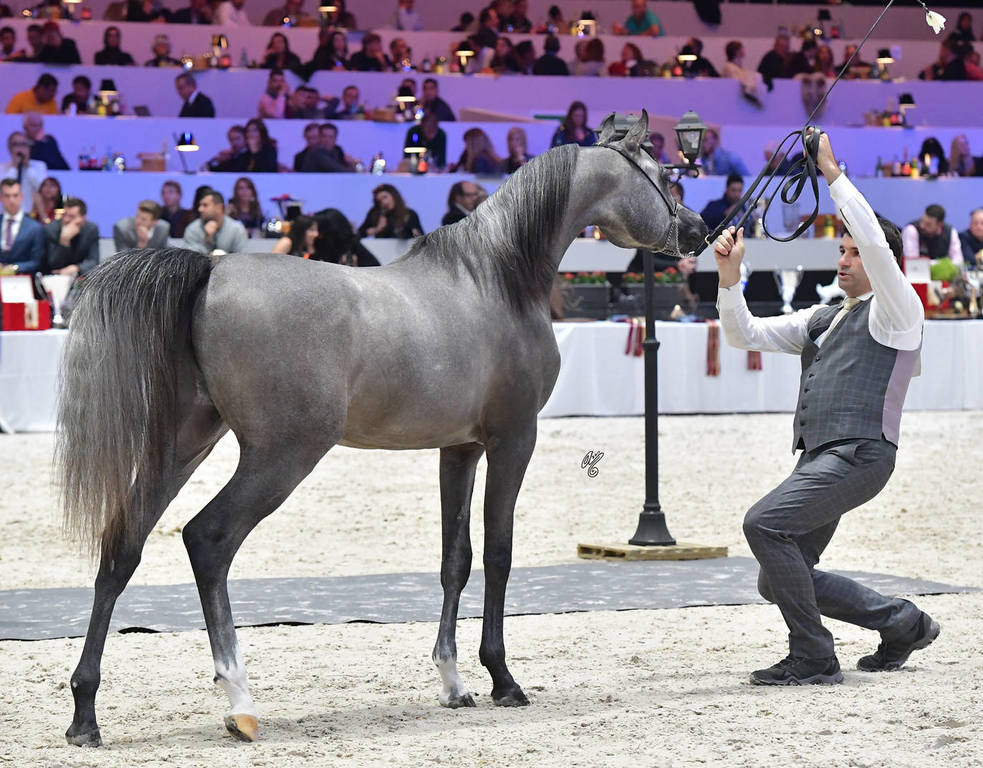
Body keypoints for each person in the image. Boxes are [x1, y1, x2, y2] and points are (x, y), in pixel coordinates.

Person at [713, 130, 937, 685]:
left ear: (880, 260)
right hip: (819, 460)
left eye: (855, 252)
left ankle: (813, 654)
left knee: (763, 525)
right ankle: (902, 622)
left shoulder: (898, 312)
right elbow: (743, 335)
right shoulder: (822, 316)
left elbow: (880, 249)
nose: (844, 259)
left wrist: (833, 173)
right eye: (842, 249)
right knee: (776, 576)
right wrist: (729, 277)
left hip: (861, 455)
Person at [182, 189, 249, 255]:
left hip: (231, 265)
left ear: (218, 207)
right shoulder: (192, 229)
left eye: (205, 205)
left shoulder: (237, 229)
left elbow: (242, 258)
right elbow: (190, 259)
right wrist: (207, 240)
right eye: (200, 205)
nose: (200, 209)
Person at [43, 196, 98, 276]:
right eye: (64, 215)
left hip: (81, 276)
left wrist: (77, 268)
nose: (66, 220)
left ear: (83, 218)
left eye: (72, 216)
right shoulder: (51, 229)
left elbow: (94, 261)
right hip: (55, 278)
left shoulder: (91, 229)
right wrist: (64, 240)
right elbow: (53, 264)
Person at [0, 178, 44, 275]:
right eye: (7, 196)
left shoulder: (35, 227)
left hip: (22, 279)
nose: (11, 200)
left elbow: (37, 261)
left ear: (21, 196)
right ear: (1, 198)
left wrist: (15, 267)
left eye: (15, 195)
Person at [1, 131, 46, 212]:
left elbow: (42, 189)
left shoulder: (39, 166)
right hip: (6, 214)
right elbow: (4, 188)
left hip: (30, 214)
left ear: (29, 147)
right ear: (9, 148)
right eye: (16, 144)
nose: (20, 148)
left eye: (23, 144)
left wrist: (28, 167)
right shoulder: (2, 168)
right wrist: (14, 167)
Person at [357, 184, 423, 239]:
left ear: (394, 196)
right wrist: (377, 229)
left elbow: (421, 238)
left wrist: (415, 233)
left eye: (385, 197)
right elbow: (360, 234)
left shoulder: (409, 214)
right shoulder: (375, 213)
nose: (384, 202)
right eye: (380, 201)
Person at [722, 40, 763, 105]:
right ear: (736, 52)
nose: (743, 50)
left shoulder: (743, 69)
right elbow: (735, 83)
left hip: (744, 99)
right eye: (741, 48)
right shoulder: (729, 67)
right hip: (734, 99)